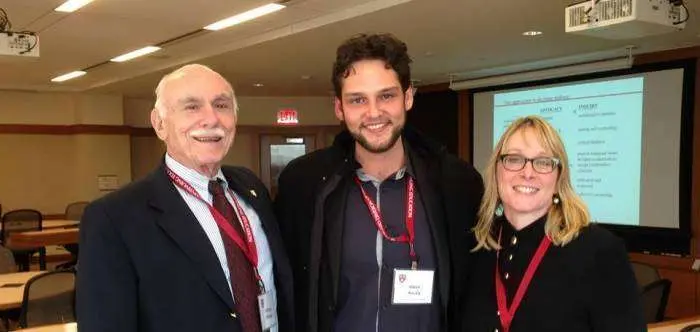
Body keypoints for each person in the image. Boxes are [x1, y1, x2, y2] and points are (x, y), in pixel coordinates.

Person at [274, 33, 484, 332]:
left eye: (386, 96)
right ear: (339, 108)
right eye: (358, 100)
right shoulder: (304, 186)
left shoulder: (457, 184)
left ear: (408, 97)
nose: (374, 113)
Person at [76, 64, 293, 332]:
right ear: (159, 124)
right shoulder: (114, 217)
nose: (211, 119)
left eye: (221, 105)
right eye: (192, 107)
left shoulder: (251, 189)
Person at [462, 115, 644, 331]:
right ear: (497, 171)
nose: (527, 173)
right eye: (514, 159)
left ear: (559, 180)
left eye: (543, 162)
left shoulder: (599, 251)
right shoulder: (476, 245)